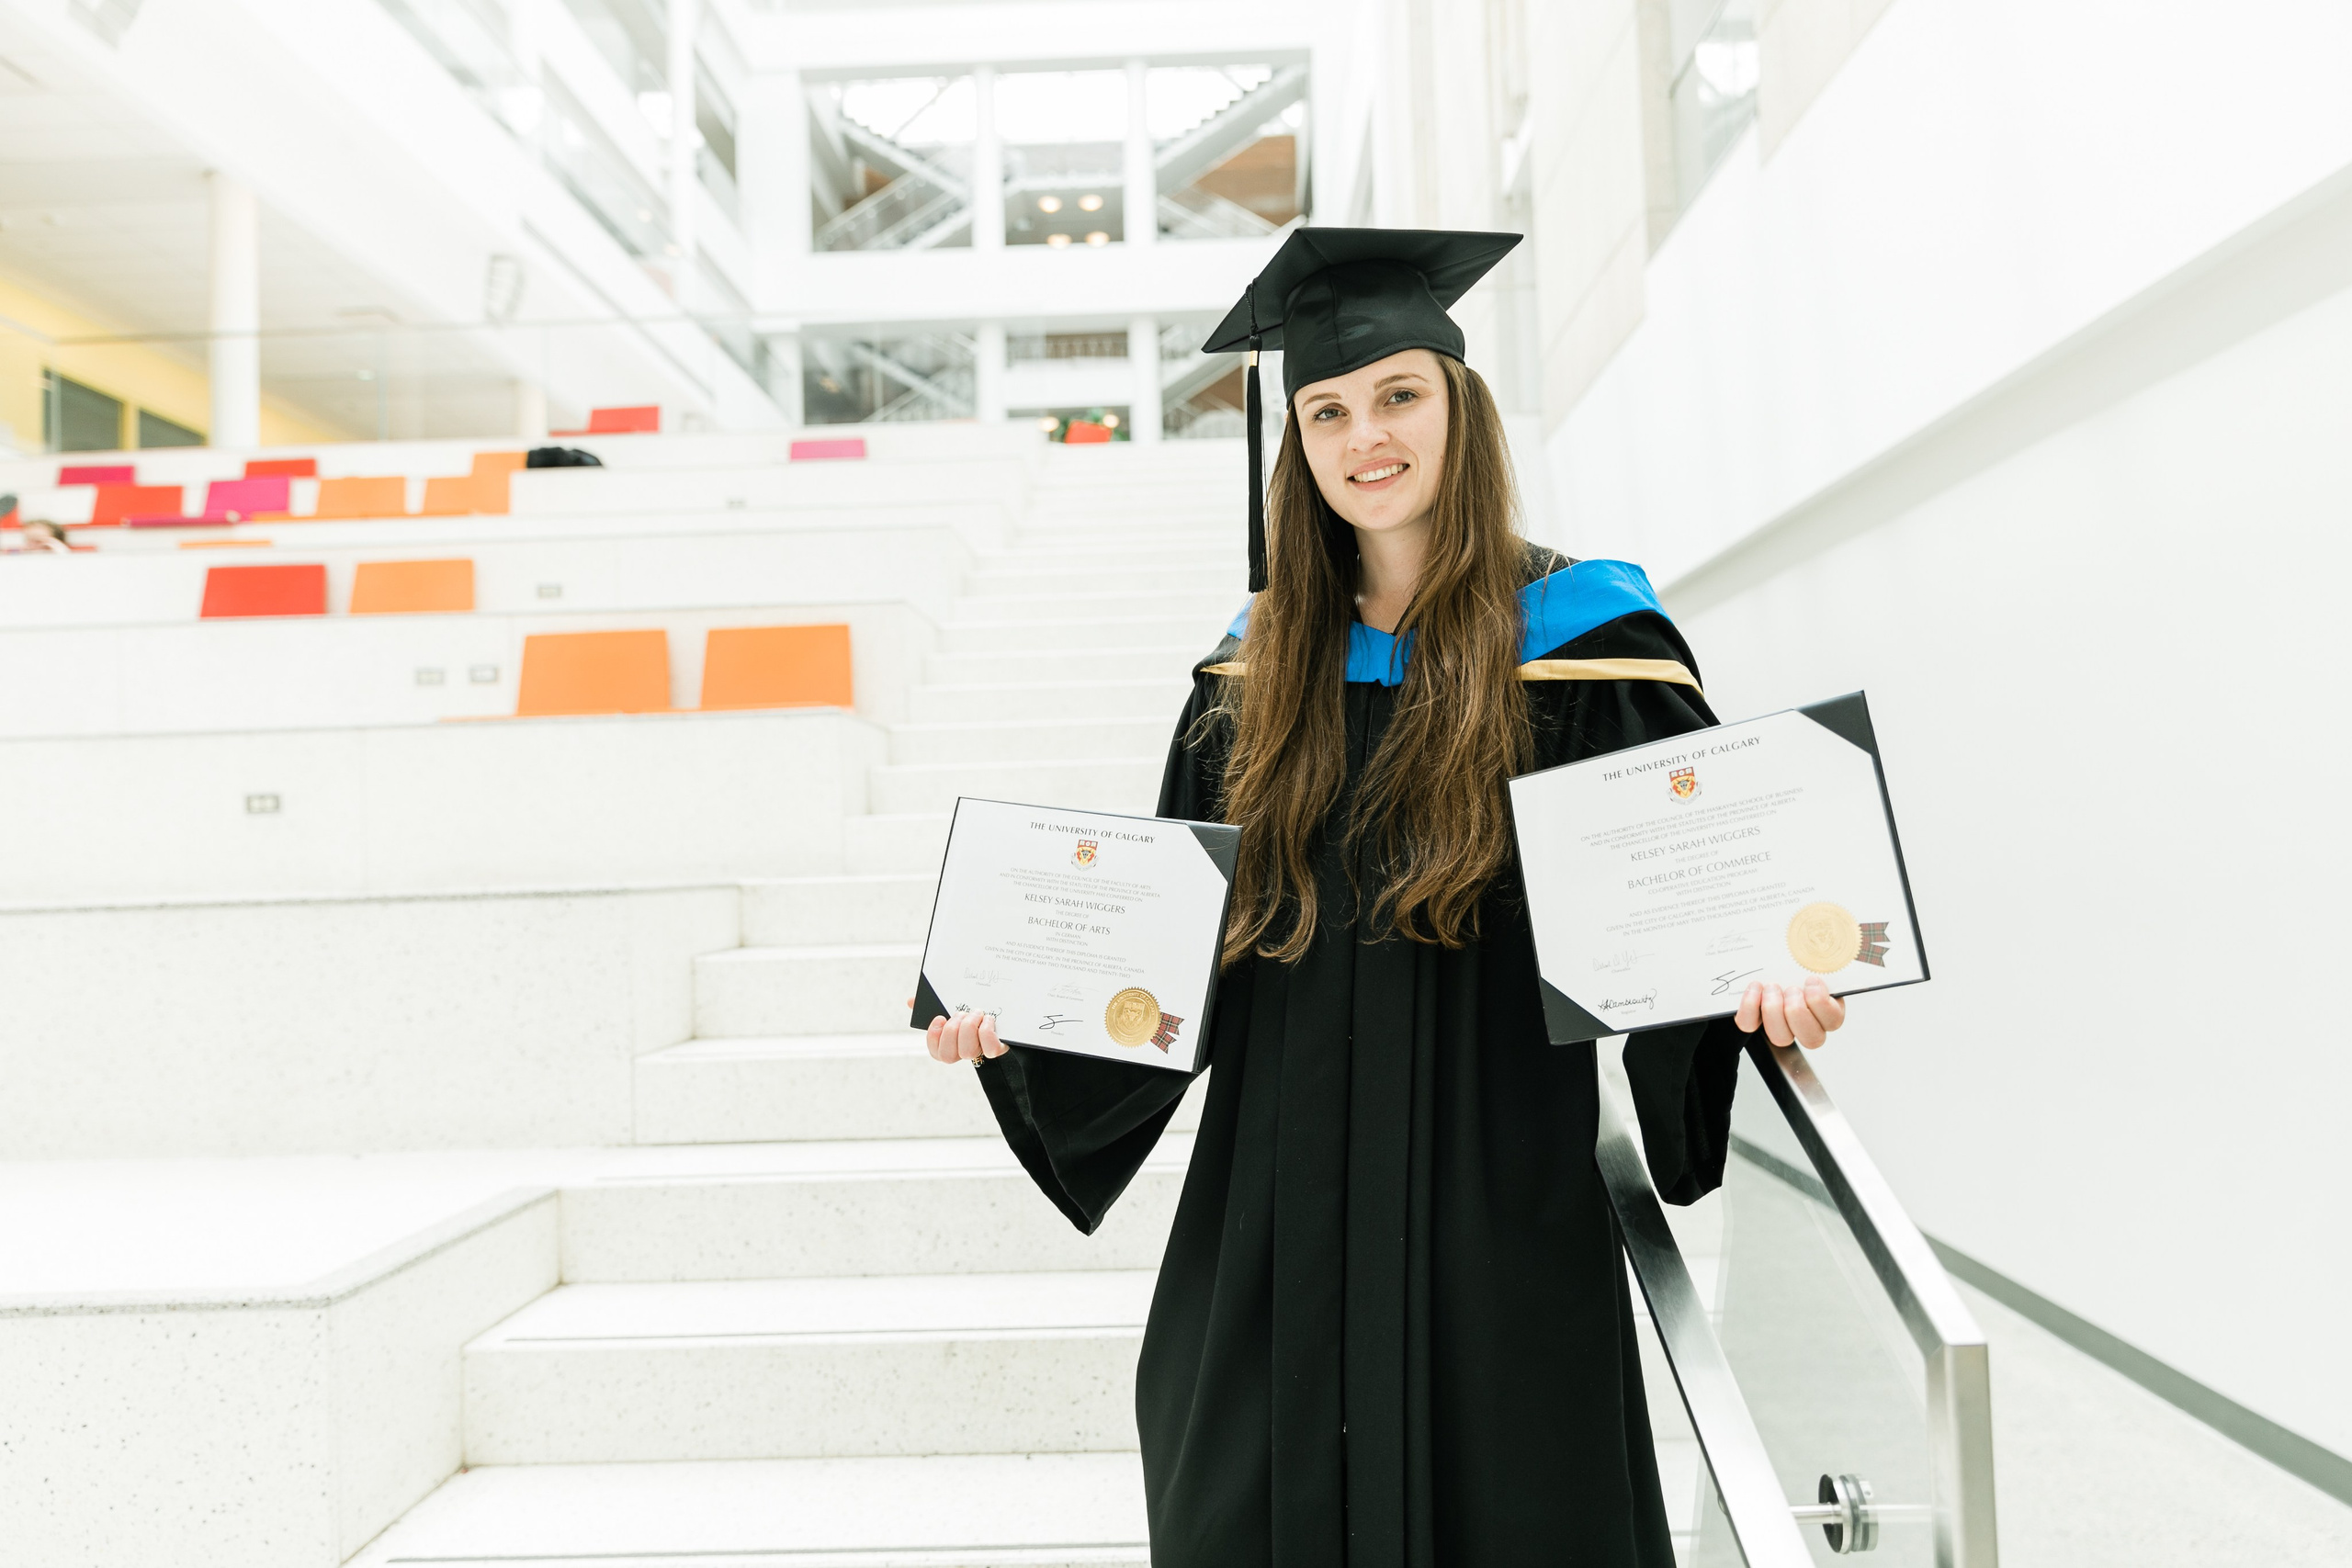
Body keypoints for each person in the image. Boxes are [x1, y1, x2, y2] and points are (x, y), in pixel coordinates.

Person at [922, 228, 1848, 1567]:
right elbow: (1174, 957)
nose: (1368, 436)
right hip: (1266, 1240)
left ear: (1459, 407)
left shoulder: (1592, 651)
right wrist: (1030, 1021)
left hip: (1499, 1224)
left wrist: (1760, 996)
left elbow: (1685, 913)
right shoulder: (1247, 679)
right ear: (1295, 439)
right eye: (1328, 409)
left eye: (1400, 395)